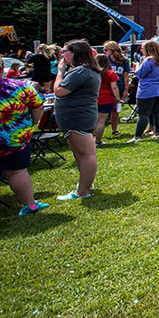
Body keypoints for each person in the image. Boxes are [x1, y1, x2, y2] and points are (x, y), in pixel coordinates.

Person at [0, 51, 49, 226]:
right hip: (14, 139)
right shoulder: (20, 87)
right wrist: (33, 122)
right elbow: (38, 106)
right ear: (2, 69)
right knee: (17, 171)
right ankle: (30, 205)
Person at [54, 40, 102, 201]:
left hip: (77, 118)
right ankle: (86, 184)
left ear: (76, 52)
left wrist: (60, 72)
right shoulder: (85, 71)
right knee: (80, 154)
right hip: (77, 117)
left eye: (64, 51)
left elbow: (59, 91)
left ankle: (83, 191)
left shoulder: (81, 71)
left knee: (86, 154)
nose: (61, 55)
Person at [129, 40, 159, 142]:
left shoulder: (149, 60)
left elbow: (139, 74)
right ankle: (158, 133)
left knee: (143, 114)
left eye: (142, 48)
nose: (141, 50)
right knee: (158, 112)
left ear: (148, 50)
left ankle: (137, 136)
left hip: (147, 90)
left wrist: (136, 66)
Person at [102, 41, 131, 136]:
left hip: (119, 86)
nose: (104, 51)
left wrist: (126, 89)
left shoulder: (124, 60)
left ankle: (114, 129)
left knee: (116, 109)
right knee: (105, 108)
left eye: (106, 49)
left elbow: (126, 76)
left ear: (112, 50)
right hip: (107, 87)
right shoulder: (105, 60)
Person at [92, 55, 121, 147]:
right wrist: (118, 98)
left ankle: (91, 139)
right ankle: (98, 141)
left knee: (93, 121)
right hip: (106, 99)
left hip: (93, 99)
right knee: (101, 121)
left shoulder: (92, 73)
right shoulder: (110, 73)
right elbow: (114, 87)